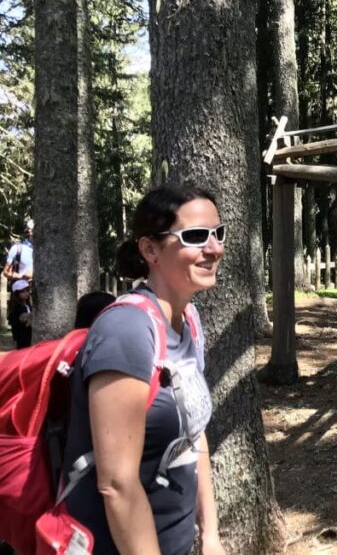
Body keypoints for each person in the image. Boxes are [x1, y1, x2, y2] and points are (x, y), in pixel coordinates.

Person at [61, 185, 225, 555]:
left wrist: (210, 534)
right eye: (196, 236)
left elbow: (193, 433)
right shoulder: (127, 332)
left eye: (218, 233)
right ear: (150, 249)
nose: (213, 248)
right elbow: (116, 485)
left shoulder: (189, 320)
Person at [3, 218, 33, 288]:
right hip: (24, 293)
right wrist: (21, 276)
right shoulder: (17, 248)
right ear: (30, 231)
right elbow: (6, 272)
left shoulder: (51, 250)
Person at [6, 278, 32, 349]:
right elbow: (17, 321)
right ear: (17, 294)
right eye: (22, 292)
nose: (26, 293)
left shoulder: (28, 305)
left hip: (29, 335)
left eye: (27, 291)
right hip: (22, 336)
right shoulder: (16, 308)